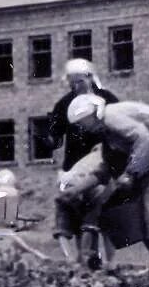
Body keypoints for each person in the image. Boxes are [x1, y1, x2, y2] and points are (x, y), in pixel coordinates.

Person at [67, 94, 149, 278]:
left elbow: (144, 139)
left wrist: (130, 173)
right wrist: (77, 189)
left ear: (92, 114)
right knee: (147, 216)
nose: (82, 128)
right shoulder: (107, 131)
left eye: (82, 122)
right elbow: (108, 167)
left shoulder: (110, 116)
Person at [48, 59, 122, 266]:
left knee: (103, 212)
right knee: (79, 213)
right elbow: (55, 136)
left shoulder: (108, 99)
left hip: (103, 162)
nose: (75, 87)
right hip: (74, 164)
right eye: (71, 83)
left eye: (79, 82)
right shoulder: (64, 103)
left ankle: (110, 262)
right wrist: (51, 138)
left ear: (90, 77)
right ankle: (85, 260)